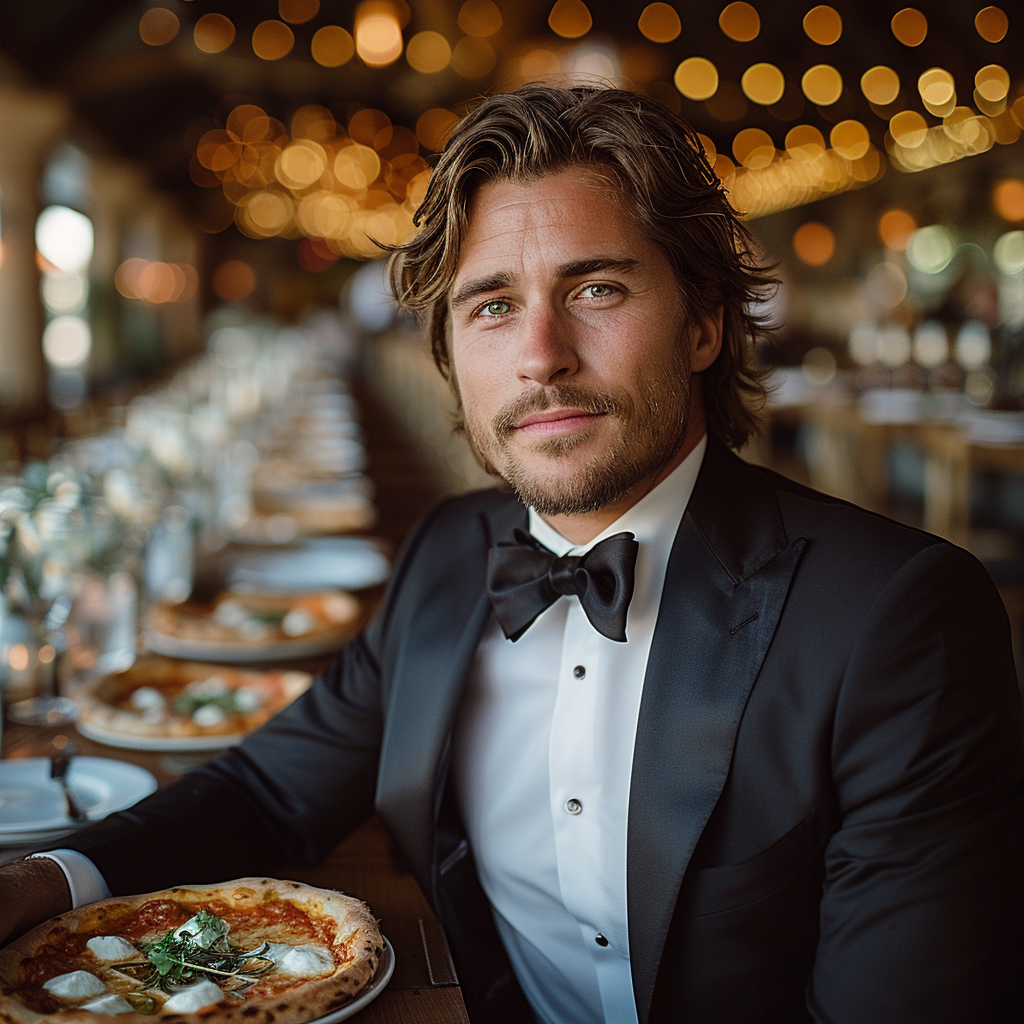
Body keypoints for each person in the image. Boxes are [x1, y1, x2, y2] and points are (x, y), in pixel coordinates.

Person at [2, 84, 1022, 1024]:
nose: (539, 354)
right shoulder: (449, 553)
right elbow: (269, 792)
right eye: (491, 305)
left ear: (705, 321)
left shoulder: (897, 618)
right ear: (449, 355)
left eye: (596, 290)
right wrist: (48, 881)